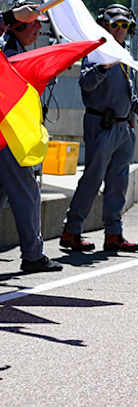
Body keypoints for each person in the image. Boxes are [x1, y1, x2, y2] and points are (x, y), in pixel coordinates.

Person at [59, 3, 138, 253]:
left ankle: (114, 234)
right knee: (92, 179)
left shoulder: (124, 54)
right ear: (104, 25)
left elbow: (129, 90)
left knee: (118, 183)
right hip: (101, 124)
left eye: (124, 25)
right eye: (115, 25)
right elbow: (86, 83)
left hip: (125, 126)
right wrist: (105, 65)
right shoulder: (96, 51)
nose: (120, 30)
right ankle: (71, 231)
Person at [0, 0, 63, 273]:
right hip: (10, 139)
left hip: (6, 136)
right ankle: (33, 256)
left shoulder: (11, 50)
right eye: (34, 22)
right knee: (28, 194)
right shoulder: (9, 53)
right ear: (17, 26)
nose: (39, 28)